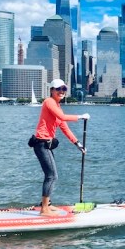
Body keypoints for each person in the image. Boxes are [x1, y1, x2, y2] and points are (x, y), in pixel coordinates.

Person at [31, 78, 89, 216]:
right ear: (52, 90)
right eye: (58, 89)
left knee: (50, 175)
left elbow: (64, 128)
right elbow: (62, 117)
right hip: (41, 144)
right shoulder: (49, 102)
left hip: (47, 145)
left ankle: (47, 204)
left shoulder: (57, 106)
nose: (61, 92)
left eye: (64, 89)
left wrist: (78, 144)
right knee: (52, 176)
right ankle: (44, 209)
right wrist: (81, 116)